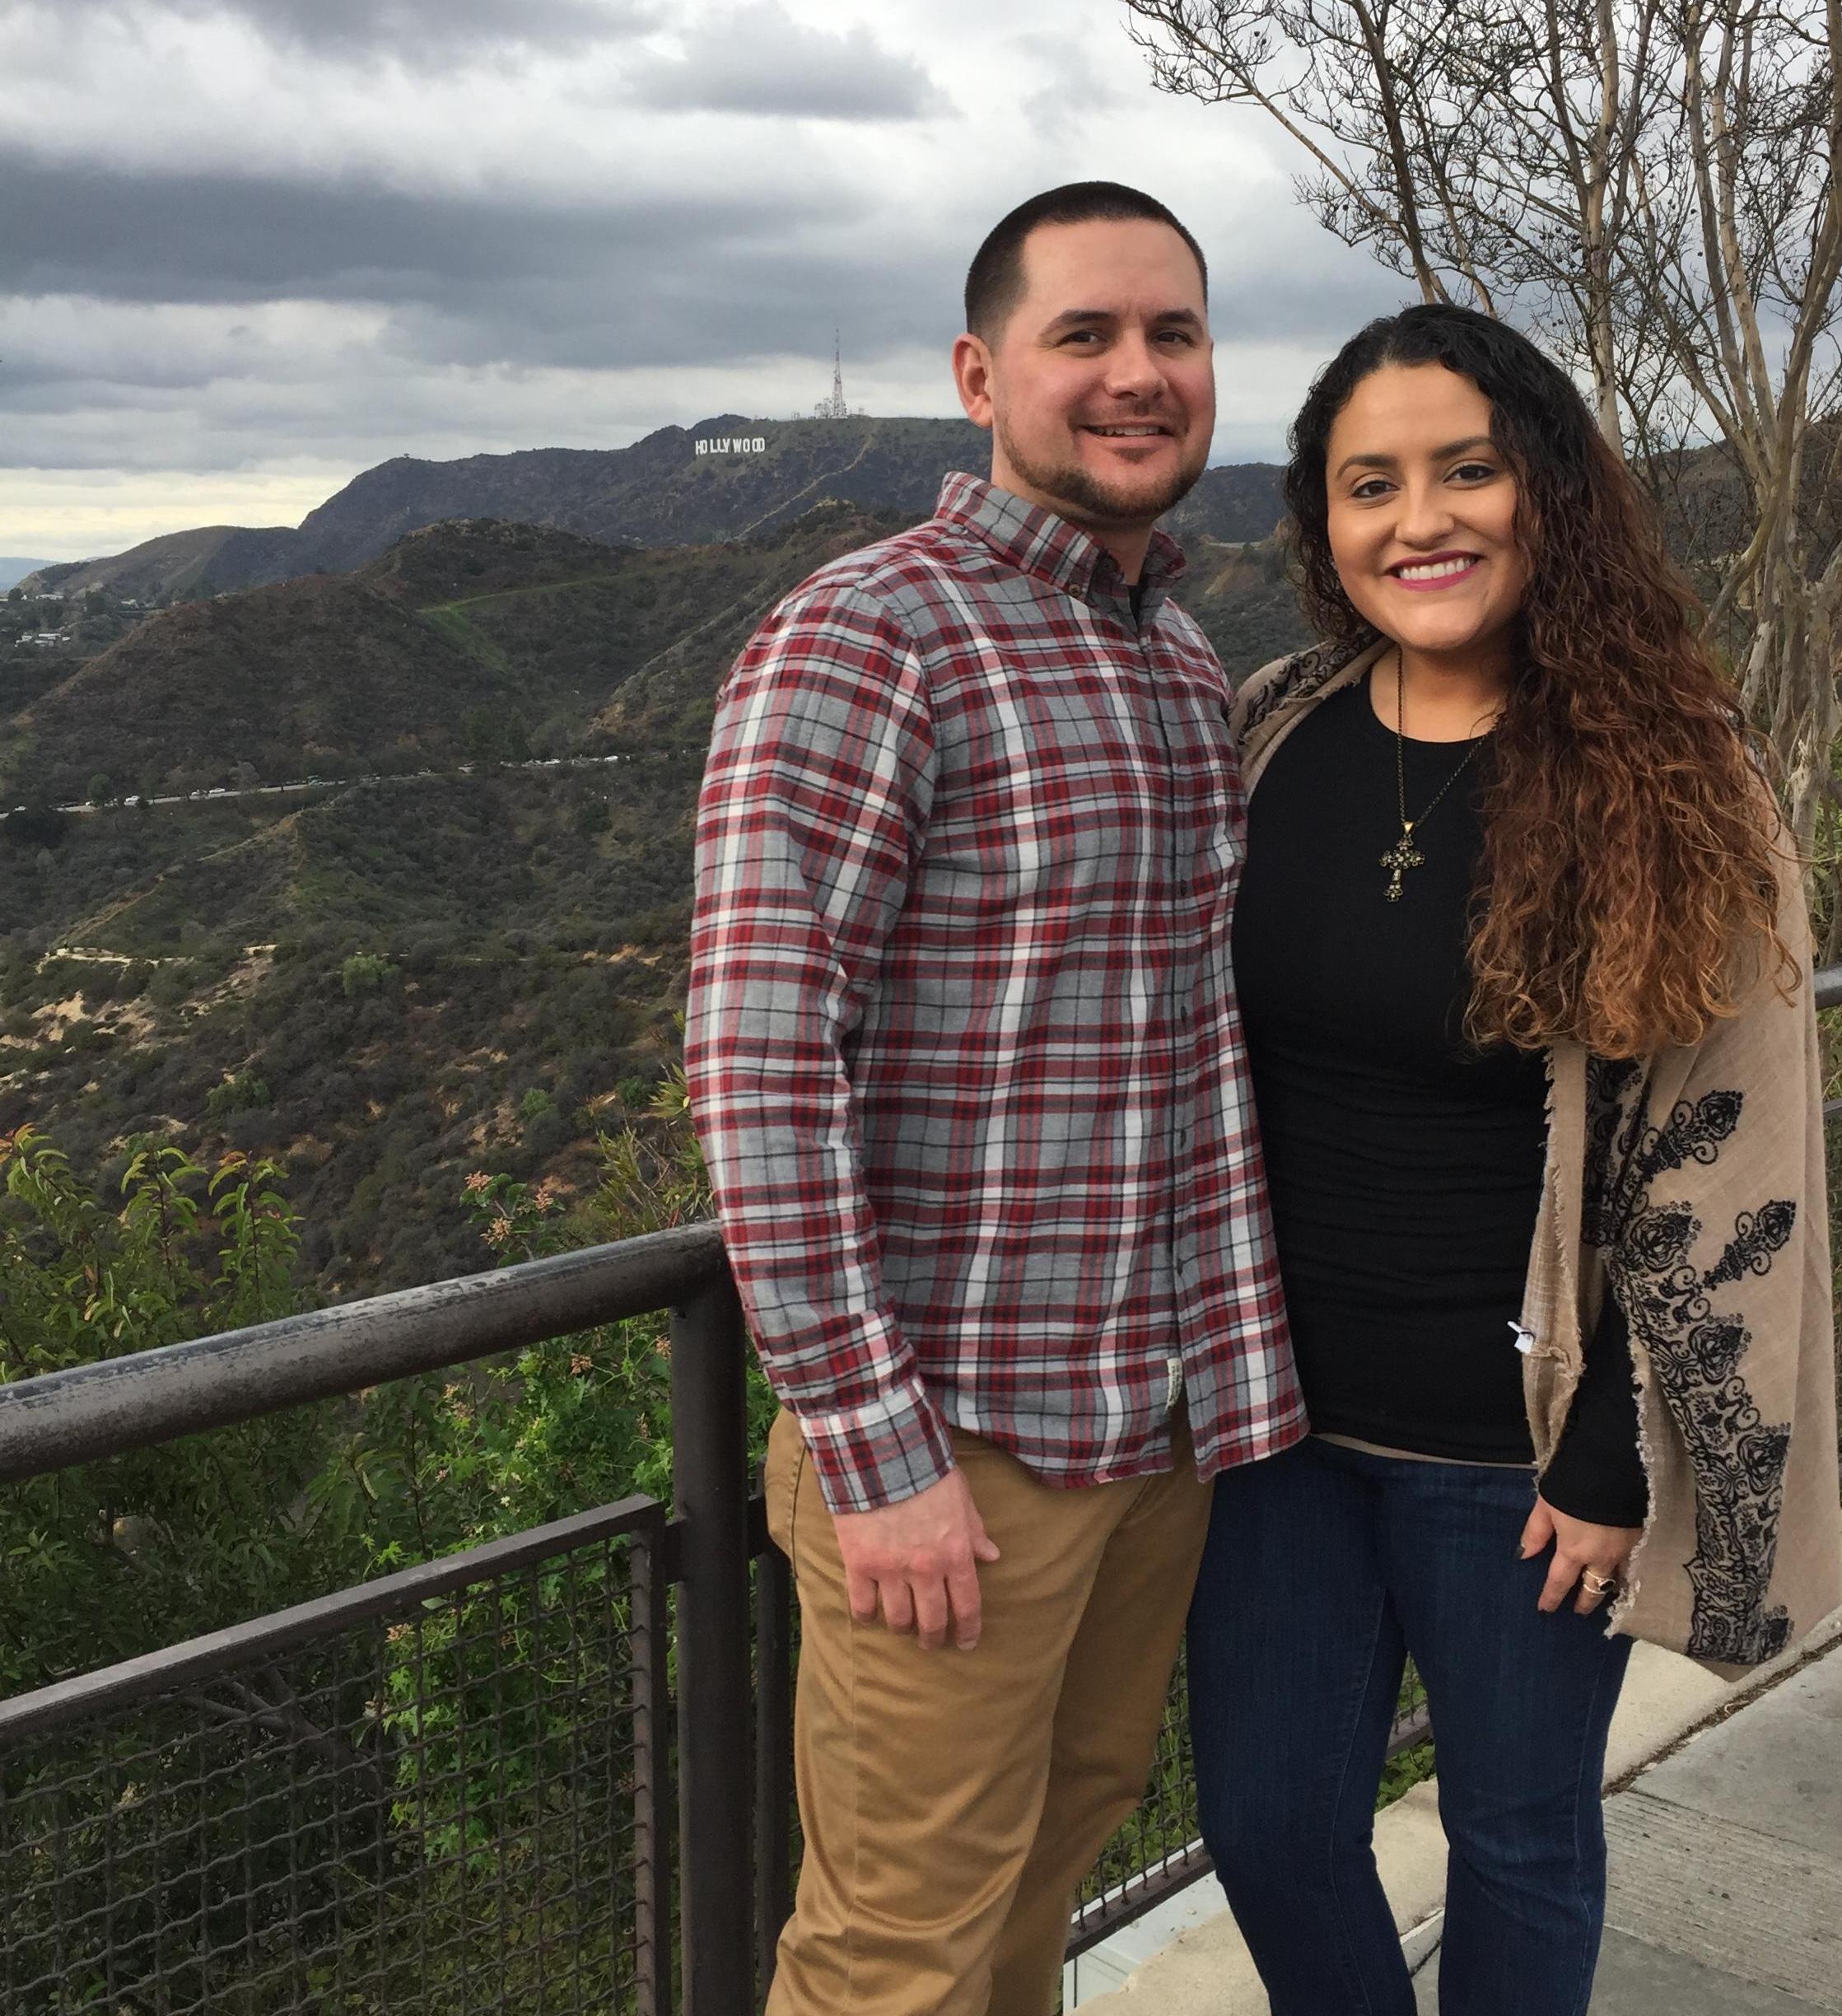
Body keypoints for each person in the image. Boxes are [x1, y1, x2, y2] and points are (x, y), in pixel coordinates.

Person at [683, 182, 1305, 2016]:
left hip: (1157, 1430)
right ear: (979, 375)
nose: (1137, 373)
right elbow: (760, 1067)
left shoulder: (1178, 657)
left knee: (1048, 1869)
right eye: (1083, 334)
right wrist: (876, 1459)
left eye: (1173, 333)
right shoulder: (871, 635)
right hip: (957, 1447)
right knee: (897, 1950)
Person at [1187, 303, 1842, 2016]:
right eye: (1371, 485)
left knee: (1519, 1840)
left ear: (1545, 489)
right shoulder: (1273, 730)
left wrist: (1619, 1453)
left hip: (1522, 1454)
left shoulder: (1669, 778)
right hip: (1277, 1434)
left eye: (1466, 471)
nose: (1421, 520)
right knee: (1270, 1827)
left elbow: (1734, 1140)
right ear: (1323, 524)